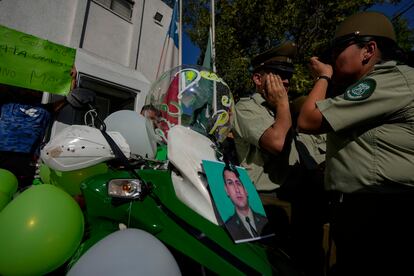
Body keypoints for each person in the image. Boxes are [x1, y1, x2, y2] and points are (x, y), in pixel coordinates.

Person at [297, 11, 414, 276]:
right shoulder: (388, 82)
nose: (334, 59)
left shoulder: (385, 81)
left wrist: (324, 77)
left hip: (382, 215)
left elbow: (308, 119)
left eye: (339, 49)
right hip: (371, 212)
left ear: (368, 50)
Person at [233, 41, 328, 276]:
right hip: (269, 204)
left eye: (288, 76)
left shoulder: (286, 111)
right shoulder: (246, 107)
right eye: (279, 75)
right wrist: (284, 104)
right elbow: (276, 142)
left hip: (301, 203)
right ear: (257, 79)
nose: (286, 81)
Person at [0, 68, 76, 188]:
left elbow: (66, 97)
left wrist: (70, 80)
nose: (31, 89)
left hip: (25, 160)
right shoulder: (6, 102)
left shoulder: (46, 109)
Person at [223, 164, 269, 241]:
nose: (237, 190)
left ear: (246, 191)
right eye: (230, 183)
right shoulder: (229, 226)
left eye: (238, 183)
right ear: (227, 191)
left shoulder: (264, 220)